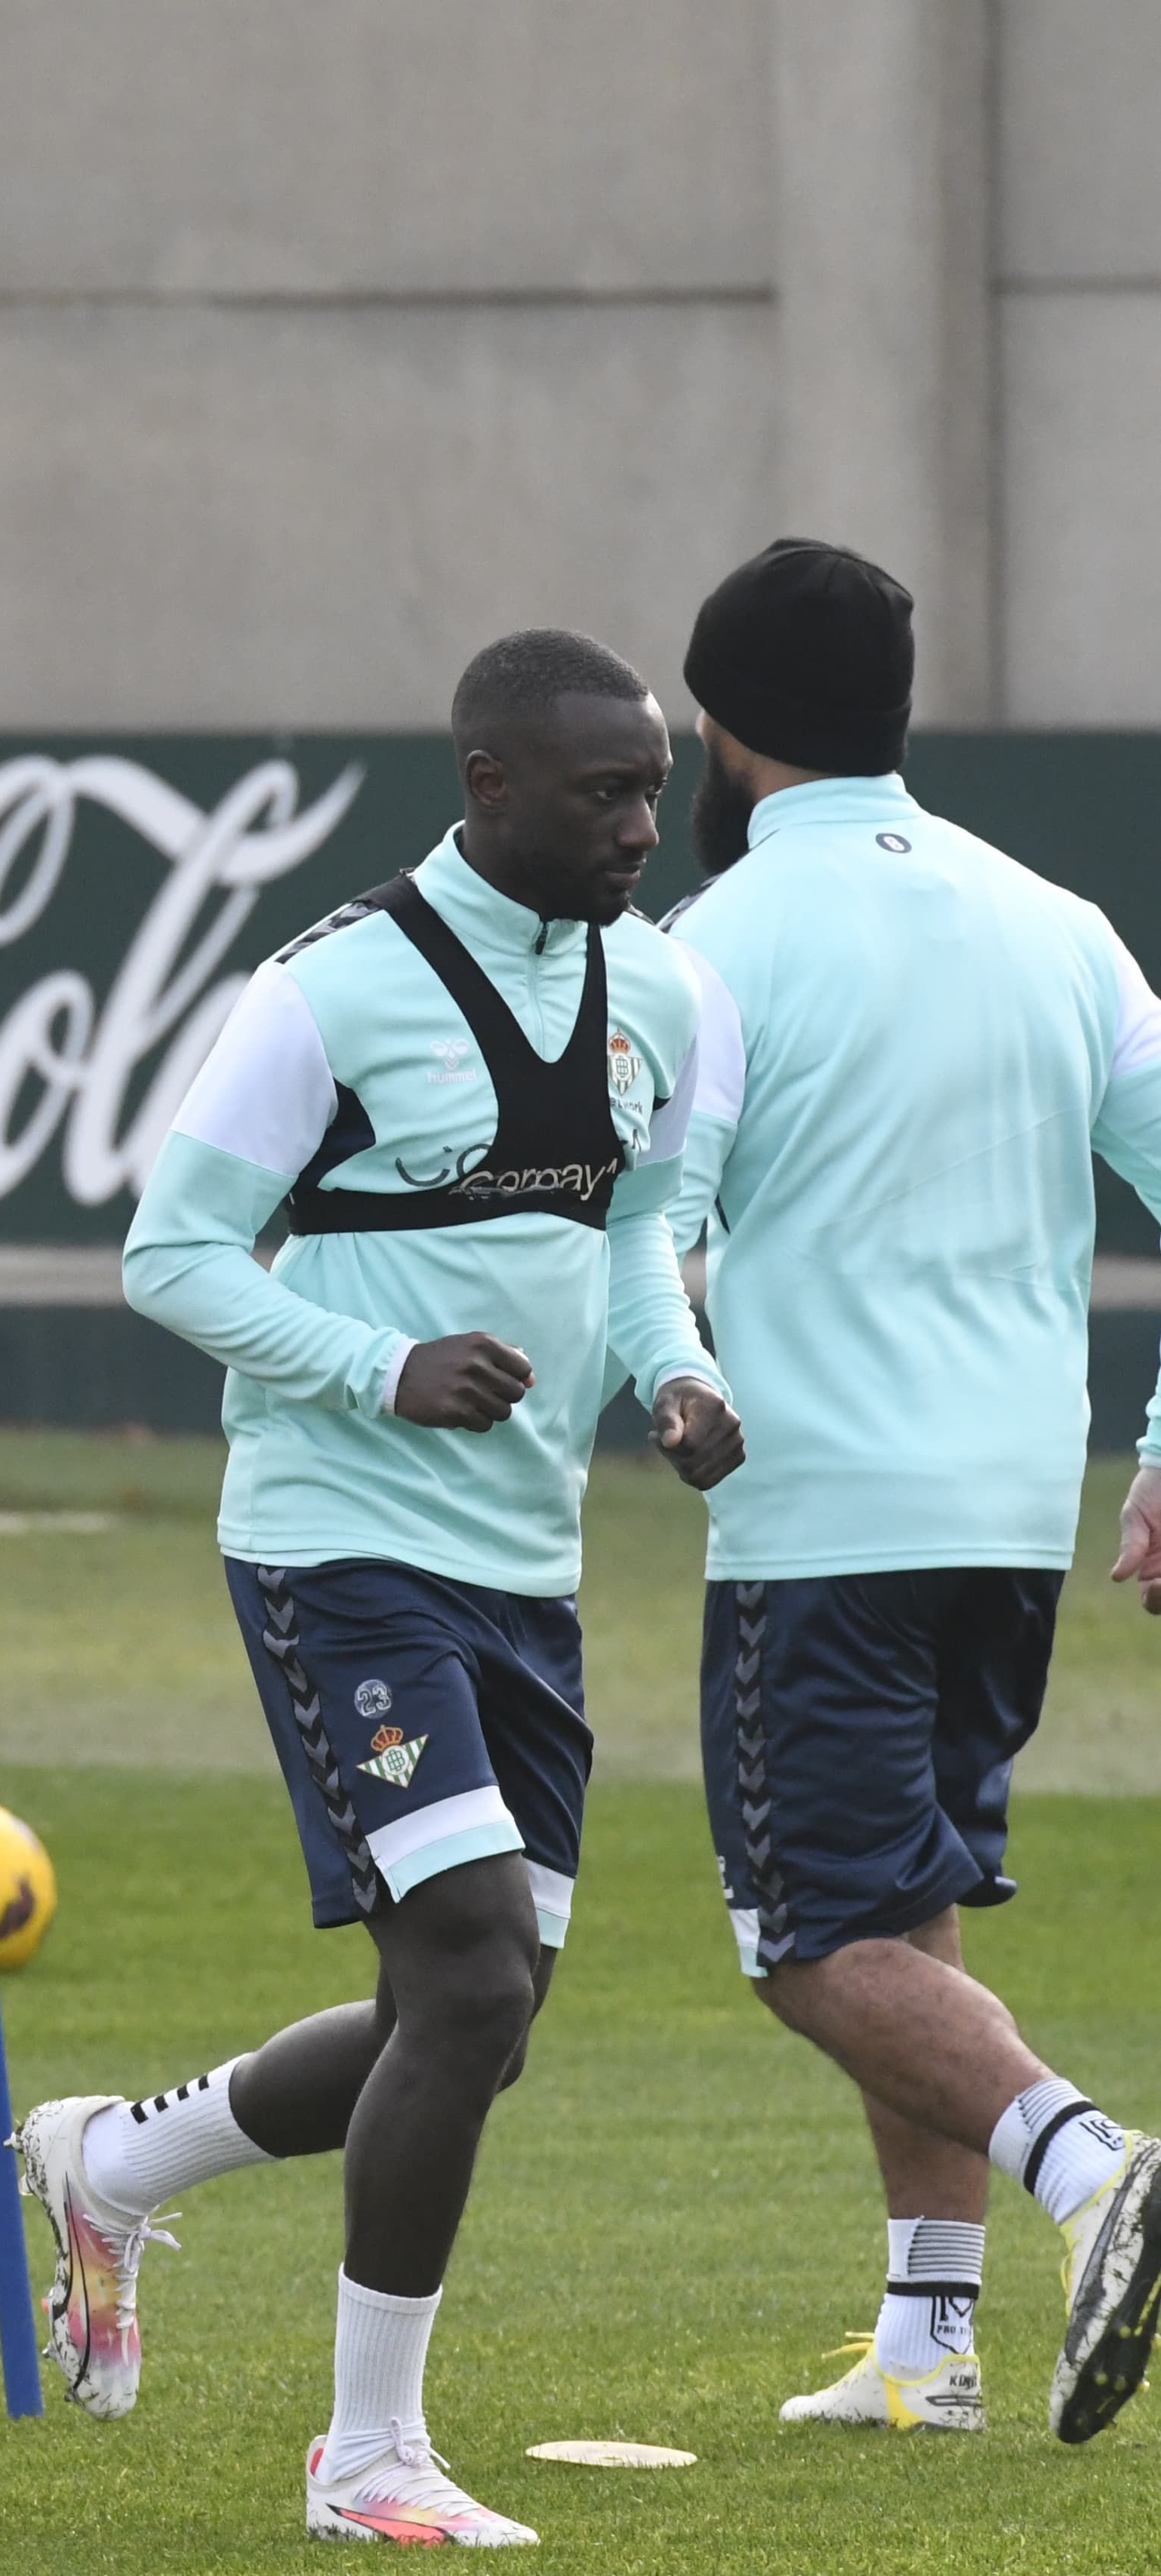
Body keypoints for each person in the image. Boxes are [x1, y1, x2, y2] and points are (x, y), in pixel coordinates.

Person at [23, 628, 744, 2548]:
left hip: (528, 1567)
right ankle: (365, 2460)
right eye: (602, 794)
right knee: (470, 1972)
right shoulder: (327, 996)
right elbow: (168, 1258)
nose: (639, 827)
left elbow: (640, 1230)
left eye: (652, 790)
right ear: (488, 784)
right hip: (337, 1545)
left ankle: (111, 2162)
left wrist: (675, 1369)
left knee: (475, 2020)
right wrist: (376, 1367)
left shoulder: (667, 988)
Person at [657, 537, 1160, 2443]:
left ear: (716, 724)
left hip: (821, 1513)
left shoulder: (712, 948)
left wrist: (662, 1364)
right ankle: (925, 2343)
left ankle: (1094, 2164)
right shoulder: (1057, 919)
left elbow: (658, 1233)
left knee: (809, 1940)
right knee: (911, 1900)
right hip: (1010, 1513)